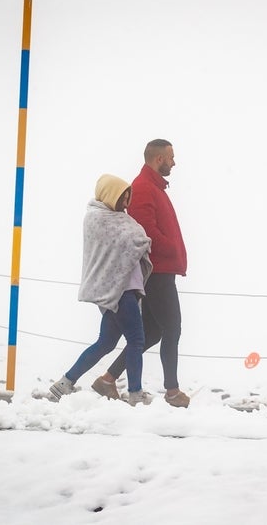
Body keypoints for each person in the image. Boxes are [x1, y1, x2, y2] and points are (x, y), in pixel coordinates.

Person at [91, 139, 191, 408]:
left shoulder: (154, 187)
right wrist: (171, 248)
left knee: (152, 332)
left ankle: (108, 379)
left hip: (163, 270)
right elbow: (146, 233)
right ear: (158, 159)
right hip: (158, 272)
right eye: (171, 157)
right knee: (172, 327)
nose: (174, 162)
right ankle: (172, 391)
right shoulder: (144, 188)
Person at [49, 174, 153, 406]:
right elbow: (136, 239)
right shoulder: (97, 218)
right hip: (120, 291)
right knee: (137, 341)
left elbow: (134, 239)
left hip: (123, 291)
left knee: (105, 343)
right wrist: (141, 239)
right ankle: (136, 394)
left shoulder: (119, 218)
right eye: (123, 196)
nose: (127, 200)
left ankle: (64, 384)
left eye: (129, 196)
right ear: (110, 194)